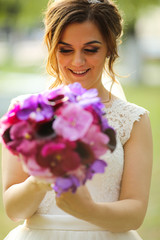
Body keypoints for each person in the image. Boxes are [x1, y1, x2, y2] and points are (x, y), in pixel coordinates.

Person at [2, 0, 152, 240]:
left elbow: (135, 213)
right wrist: (40, 180)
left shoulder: (133, 119)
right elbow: (13, 210)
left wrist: (88, 210)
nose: (78, 62)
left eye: (91, 50)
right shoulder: (26, 111)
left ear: (110, 48)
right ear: (52, 47)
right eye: (65, 49)